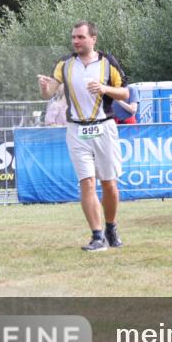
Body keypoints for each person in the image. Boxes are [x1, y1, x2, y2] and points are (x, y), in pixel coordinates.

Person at [37, 21, 129, 252]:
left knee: (109, 183)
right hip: (76, 130)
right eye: (73, 37)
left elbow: (125, 93)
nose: (75, 41)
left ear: (93, 39)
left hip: (104, 127)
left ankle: (111, 227)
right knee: (87, 182)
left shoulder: (108, 62)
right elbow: (49, 93)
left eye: (80, 37)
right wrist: (44, 87)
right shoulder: (64, 63)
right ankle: (97, 236)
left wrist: (105, 89)